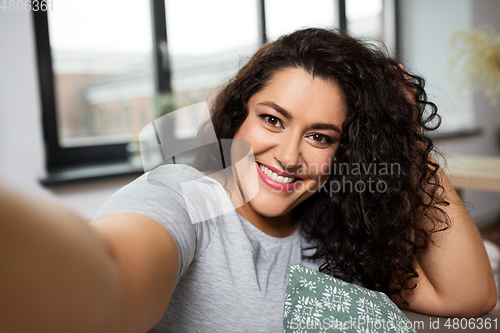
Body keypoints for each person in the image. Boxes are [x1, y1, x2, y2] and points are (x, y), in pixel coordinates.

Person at [0, 28, 496, 333]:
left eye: (320, 136)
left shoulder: (337, 229)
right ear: (238, 117)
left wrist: (403, 137)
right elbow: (109, 278)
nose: (289, 155)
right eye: (273, 120)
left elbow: (468, 298)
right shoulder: (181, 196)